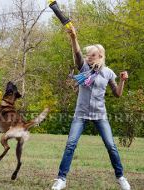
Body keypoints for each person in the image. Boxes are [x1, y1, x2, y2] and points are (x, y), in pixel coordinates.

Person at [51, 26, 131, 190]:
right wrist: (74, 37)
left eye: (92, 55)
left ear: (100, 56)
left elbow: (117, 93)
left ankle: (121, 177)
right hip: (80, 114)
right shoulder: (84, 68)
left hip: (100, 115)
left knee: (111, 145)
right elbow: (77, 53)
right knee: (71, 144)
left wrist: (122, 81)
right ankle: (61, 179)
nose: (88, 57)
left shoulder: (108, 72)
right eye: (88, 55)